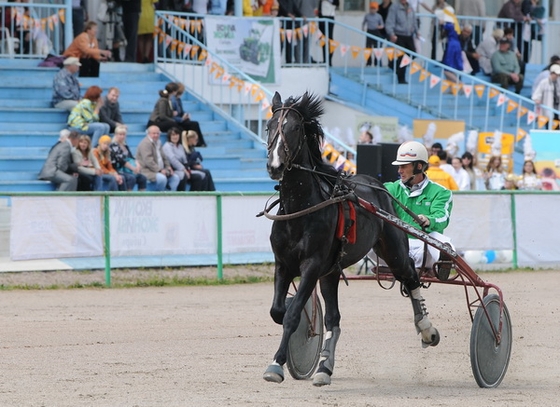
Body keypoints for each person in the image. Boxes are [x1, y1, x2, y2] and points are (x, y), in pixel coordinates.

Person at [384, 141, 454, 271]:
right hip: (397, 245)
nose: (399, 171)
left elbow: (443, 217)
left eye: (404, 166)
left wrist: (429, 220)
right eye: (399, 166)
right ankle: (402, 266)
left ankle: (442, 262)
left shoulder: (441, 192)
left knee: (441, 241)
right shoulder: (390, 188)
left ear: (419, 166)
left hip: (423, 245)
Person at [136, 125, 180, 191]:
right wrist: (160, 170)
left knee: (175, 177)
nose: (156, 135)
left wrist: (168, 167)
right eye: (154, 133)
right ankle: (160, 195)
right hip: (147, 171)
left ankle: (169, 195)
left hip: (160, 170)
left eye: (157, 133)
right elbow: (148, 161)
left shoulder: (158, 142)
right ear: (149, 133)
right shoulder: (145, 144)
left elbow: (164, 157)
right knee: (162, 178)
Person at [385, 0, 418, 84]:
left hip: (409, 35)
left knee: (412, 54)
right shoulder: (394, 7)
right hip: (399, 35)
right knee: (401, 57)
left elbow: (414, 20)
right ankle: (401, 78)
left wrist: (416, 31)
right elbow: (389, 22)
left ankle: (393, 65)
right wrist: (391, 34)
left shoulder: (410, 7)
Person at [110, 125, 147, 191]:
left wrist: (137, 165)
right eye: (120, 134)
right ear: (116, 135)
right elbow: (121, 161)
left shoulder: (125, 145)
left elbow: (131, 157)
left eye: (124, 134)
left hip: (128, 169)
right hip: (119, 169)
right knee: (131, 178)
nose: (122, 136)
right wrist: (133, 168)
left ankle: (141, 197)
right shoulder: (114, 145)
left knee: (143, 178)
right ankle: (128, 196)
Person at [171, 82, 207, 147]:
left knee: (194, 124)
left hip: (181, 119)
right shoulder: (172, 100)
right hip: (176, 121)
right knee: (193, 124)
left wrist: (186, 115)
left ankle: (199, 142)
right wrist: (182, 119)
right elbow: (171, 115)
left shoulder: (178, 100)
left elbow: (181, 111)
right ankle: (198, 142)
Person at [162, 127, 193, 191]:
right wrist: (184, 170)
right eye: (173, 135)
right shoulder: (167, 146)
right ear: (169, 136)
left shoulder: (180, 146)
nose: (175, 137)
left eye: (177, 134)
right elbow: (173, 160)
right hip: (173, 169)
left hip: (183, 168)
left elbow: (185, 160)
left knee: (206, 173)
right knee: (184, 175)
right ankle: (182, 196)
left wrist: (188, 169)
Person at [531, 64, 560, 128]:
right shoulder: (544, 83)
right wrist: (537, 99)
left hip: (557, 109)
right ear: (551, 73)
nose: (557, 76)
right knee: (549, 126)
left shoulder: (559, 83)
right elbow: (536, 95)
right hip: (548, 109)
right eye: (556, 74)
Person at [362, 2, 384, 67]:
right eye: (371, 8)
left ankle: (376, 62)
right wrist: (363, 28)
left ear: (377, 9)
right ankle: (368, 62)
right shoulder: (367, 16)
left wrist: (379, 27)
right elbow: (363, 23)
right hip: (369, 31)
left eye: (374, 8)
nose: (373, 10)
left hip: (376, 31)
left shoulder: (379, 16)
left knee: (376, 48)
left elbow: (382, 25)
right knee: (368, 47)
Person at [318, 0, 337, 66]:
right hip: (322, 17)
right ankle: (325, 60)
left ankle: (329, 60)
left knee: (330, 40)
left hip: (330, 16)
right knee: (323, 40)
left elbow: (337, 3)